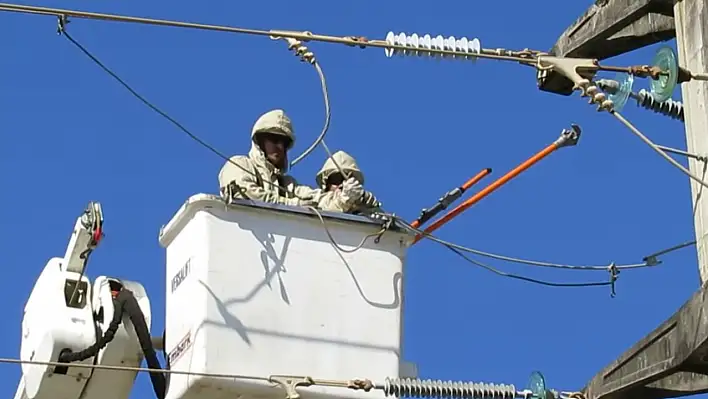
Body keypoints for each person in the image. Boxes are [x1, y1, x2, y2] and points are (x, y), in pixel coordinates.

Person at [218, 109, 321, 206]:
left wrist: (334, 198)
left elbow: (316, 197)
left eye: (284, 143)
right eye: (275, 140)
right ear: (260, 142)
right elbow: (245, 193)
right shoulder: (240, 164)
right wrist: (292, 204)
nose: (280, 147)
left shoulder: (287, 184)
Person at [315, 150, 381, 214]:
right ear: (326, 184)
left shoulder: (366, 210)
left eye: (348, 180)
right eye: (336, 179)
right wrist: (344, 200)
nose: (342, 185)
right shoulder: (315, 198)